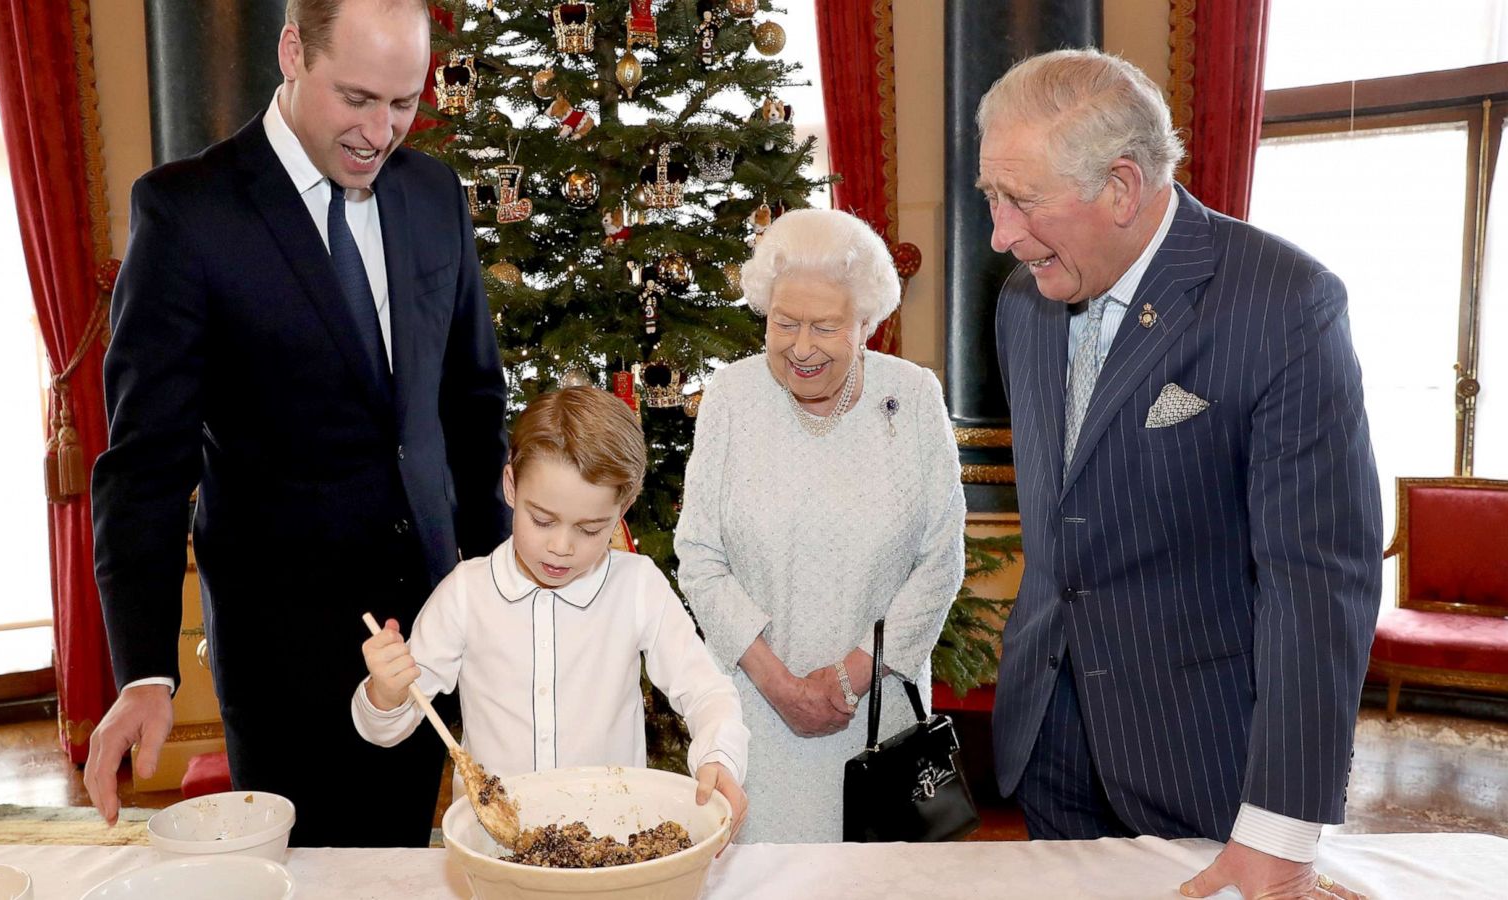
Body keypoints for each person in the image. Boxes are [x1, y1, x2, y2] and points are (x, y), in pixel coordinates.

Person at [86, 0, 511, 847]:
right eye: (356, 98)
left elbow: (471, 406)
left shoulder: (432, 196)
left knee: (404, 864)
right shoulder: (187, 214)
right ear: (292, 51)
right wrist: (143, 671)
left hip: (432, 631)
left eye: (403, 103)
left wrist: (495, 591)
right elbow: (147, 463)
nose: (381, 131)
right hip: (287, 659)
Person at [979, 49, 1380, 900]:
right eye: (991, 198)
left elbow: (1317, 584)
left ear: (1121, 188)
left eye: (1021, 201)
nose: (1001, 235)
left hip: (1202, 760)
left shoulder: (1285, 303)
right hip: (1046, 737)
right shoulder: (1024, 301)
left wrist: (1278, 829)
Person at [674, 208, 966, 843]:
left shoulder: (913, 397)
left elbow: (940, 559)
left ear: (867, 324)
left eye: (826, 327)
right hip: (752, 712)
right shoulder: (730, 397)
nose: (801, 348)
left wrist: (846, 677)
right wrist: (779, 684)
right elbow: (698, 554)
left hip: (876, 722)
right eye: (785, 324)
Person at [354, 387, 750, 837]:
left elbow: (707, 691)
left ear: (621, 510)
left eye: (588, 528)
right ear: (510, 486)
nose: (561, 547)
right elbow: (386, 728)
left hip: (609, 844)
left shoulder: (637, 586)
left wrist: (719, 755)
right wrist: (386, 693)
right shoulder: (466, 592)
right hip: (492, 848)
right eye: (541, 520)